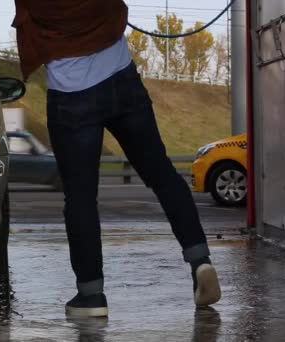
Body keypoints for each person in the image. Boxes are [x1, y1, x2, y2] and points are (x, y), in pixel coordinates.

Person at [12, 0, 222, 317]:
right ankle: (200, 260)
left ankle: (91, 295)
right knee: (162, 175)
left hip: (71, 95)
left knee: (81, 198)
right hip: (122, 79)